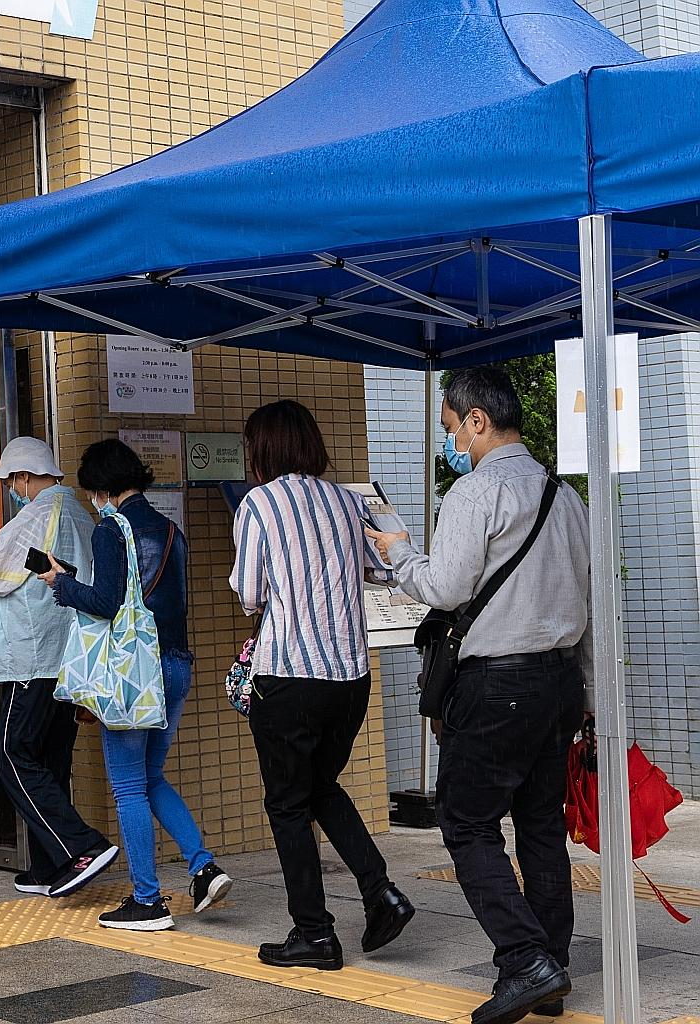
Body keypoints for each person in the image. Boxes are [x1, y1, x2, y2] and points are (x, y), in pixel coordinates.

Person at [368, 367, 590, 1024]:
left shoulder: (475, 492)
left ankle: (526, 962)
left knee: (466, 823)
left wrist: (400, 552)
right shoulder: (565, 496)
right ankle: (552, 968)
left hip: (498, 687)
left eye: (448, 428)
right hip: (559, 685)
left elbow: (444, 586)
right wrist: (595, 706)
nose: (449, 442)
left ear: (476, 421)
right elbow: (592, 603)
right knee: (542, 827)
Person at [230, 399, 413, 971]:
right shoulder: (347, 501)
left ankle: (314, 932)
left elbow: (249, 593)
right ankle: (380, 891)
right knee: (319, 786)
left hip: (288, 678)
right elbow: (385, 566)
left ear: (261, 451)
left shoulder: (258, 504)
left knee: (287, 805)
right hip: (349, 679)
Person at [42, 439, 233, 931]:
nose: (92, 500)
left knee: (127, 786)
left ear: (102, 487)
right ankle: (202, 866)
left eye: (92, 491)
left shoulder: (111, 530)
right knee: (150, 777)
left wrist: (62, 585)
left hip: (134, 674)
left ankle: (147, 900)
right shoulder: (171, 529)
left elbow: (106, 602)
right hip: (175, 667)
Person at [0, 436, 119, 899]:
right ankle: (51, 866)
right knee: (51, 758)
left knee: (13, 755)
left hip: (31, 655)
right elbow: (37, 569)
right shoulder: (79, 516)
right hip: (69, 658)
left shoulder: (37, 515)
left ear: (25, 477)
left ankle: (81, 847)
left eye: (12, 481)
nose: (12, 489)